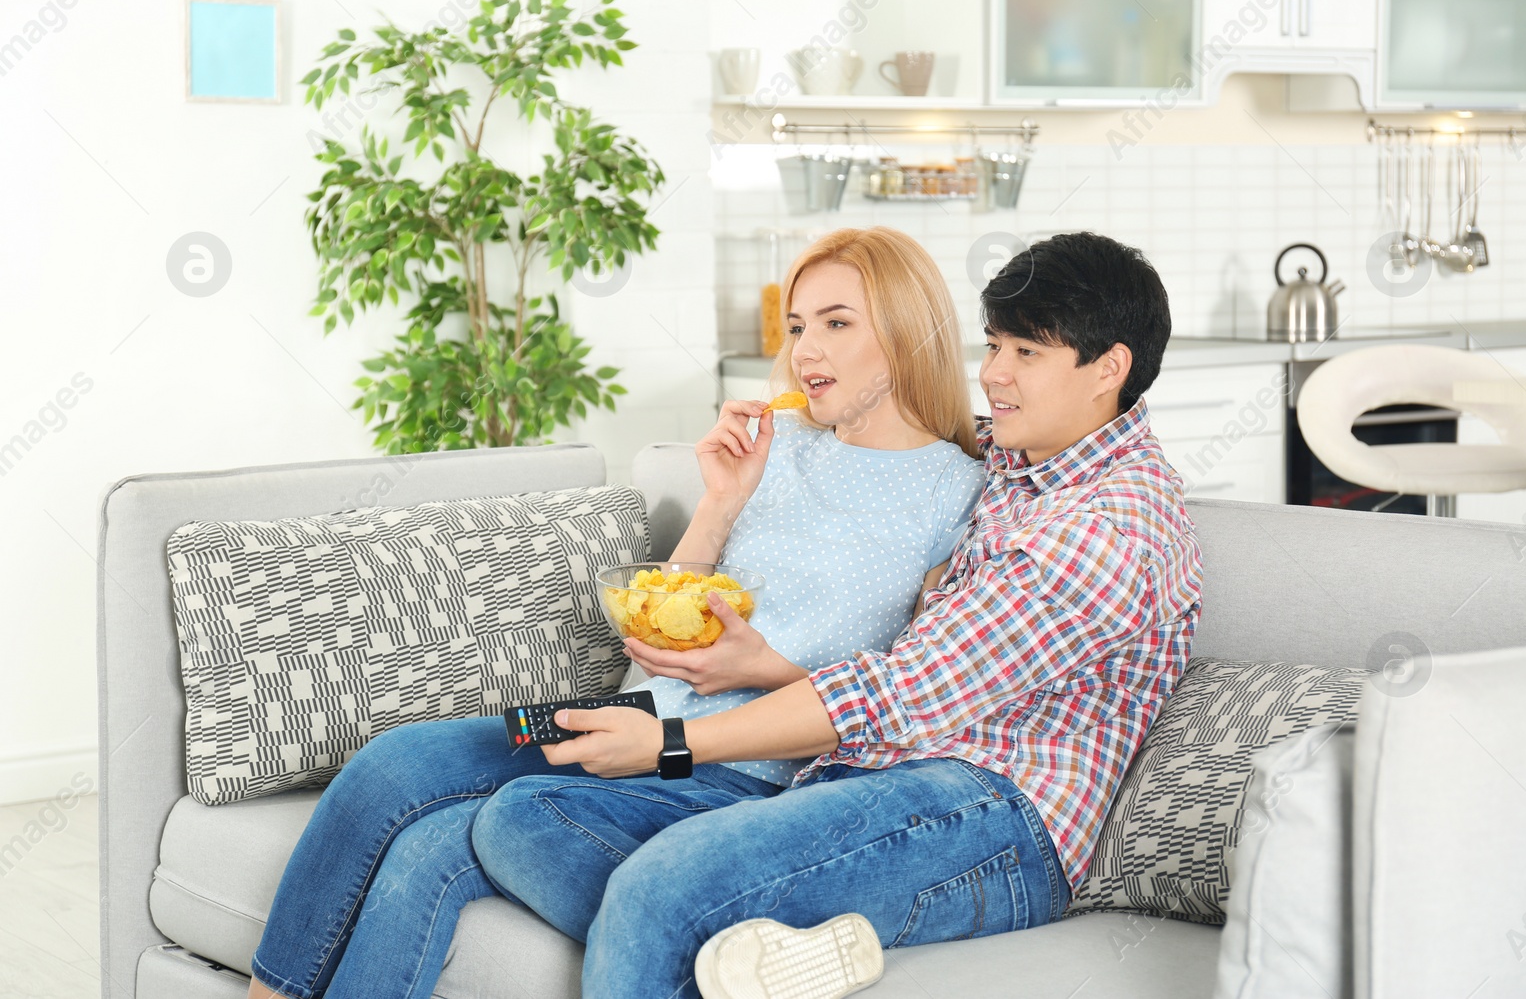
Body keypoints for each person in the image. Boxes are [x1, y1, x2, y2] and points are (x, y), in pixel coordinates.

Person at [244, 226, 987, 999]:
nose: (806, 350)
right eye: (797, 326)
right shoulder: (780, 444)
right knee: (389, 766)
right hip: (626, 711)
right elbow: (664, 613)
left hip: (746, 772)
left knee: (440, 843)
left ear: (907, 332)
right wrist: (720, 505)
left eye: (838, 323)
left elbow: (913, 694)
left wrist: (764, 667)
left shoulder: (957, 495)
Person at [467, 231, 1204, 999]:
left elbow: (903, 689)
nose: (992, 374)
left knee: (664, 887)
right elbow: (911, 428)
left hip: (996, 813)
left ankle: (710, 938)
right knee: (520, 818)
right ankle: (767, 957)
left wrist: (672, 743)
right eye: (992, 345)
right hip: (874, 772)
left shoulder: (1112, 524)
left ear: (1108, 368)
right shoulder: (1019, 455)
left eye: (1025, 353)